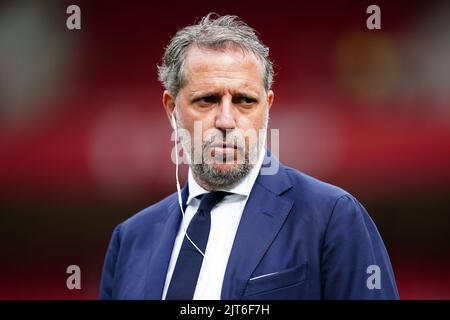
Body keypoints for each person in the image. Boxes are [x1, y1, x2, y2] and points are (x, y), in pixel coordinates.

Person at [99, 13, 399, 300]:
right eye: (207, 100)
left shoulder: (332, 217)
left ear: (267, 107)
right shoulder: (130, 240)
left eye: (245, 100)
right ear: (172, 109)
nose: (227, 120)